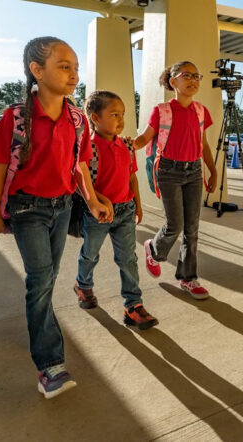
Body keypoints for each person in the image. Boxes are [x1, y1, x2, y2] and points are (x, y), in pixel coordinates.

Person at [0, 36, 109, 399]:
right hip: (27, 209)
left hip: (62, 206)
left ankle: (39, 324)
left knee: (48, 278)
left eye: (76, 68)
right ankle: (50, 364)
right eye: (64, 66)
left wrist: (92, 200)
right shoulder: (16, 117)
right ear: (37, 70)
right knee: (40, 280)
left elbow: (80, 166)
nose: (74, 75)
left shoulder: (77, 119)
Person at [132, 61, 217, 300]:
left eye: (196, 76)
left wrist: (213, 171)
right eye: (186, 75)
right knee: (174, 225)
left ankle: (188, 278)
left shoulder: (201, 111)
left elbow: (203, 144)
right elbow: (144, 138)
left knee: (192, 229)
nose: (193, 80)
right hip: (168, 171)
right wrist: (126, 143)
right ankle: (154, 249)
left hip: (194, 172)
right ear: (173, 82)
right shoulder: (162, 111)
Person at [74, 91, 158, 330]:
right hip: (98, 214)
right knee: (90, 254)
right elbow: (81, 182)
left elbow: (132, 177)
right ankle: (83, 286)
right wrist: (99, 201)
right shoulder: (88, 147)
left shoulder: (127, 146)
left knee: (128, 258)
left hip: (125, 210)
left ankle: (133, 305)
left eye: (122, 114)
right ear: (95, 118)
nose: (121, 120)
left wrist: (138, 205)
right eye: (114, 115)